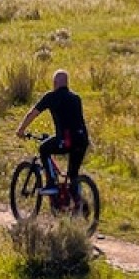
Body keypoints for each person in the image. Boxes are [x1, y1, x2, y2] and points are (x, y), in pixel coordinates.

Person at [15, 69, 91, 206]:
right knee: (73, 175)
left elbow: (33, 113)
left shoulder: (51, 96)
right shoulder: (76, 98)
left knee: (44, 148)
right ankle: (79, 204)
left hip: (66, 140)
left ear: (55, 83)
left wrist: (21, 129)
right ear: (67, 83)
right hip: (82, 140)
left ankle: (51, 183)